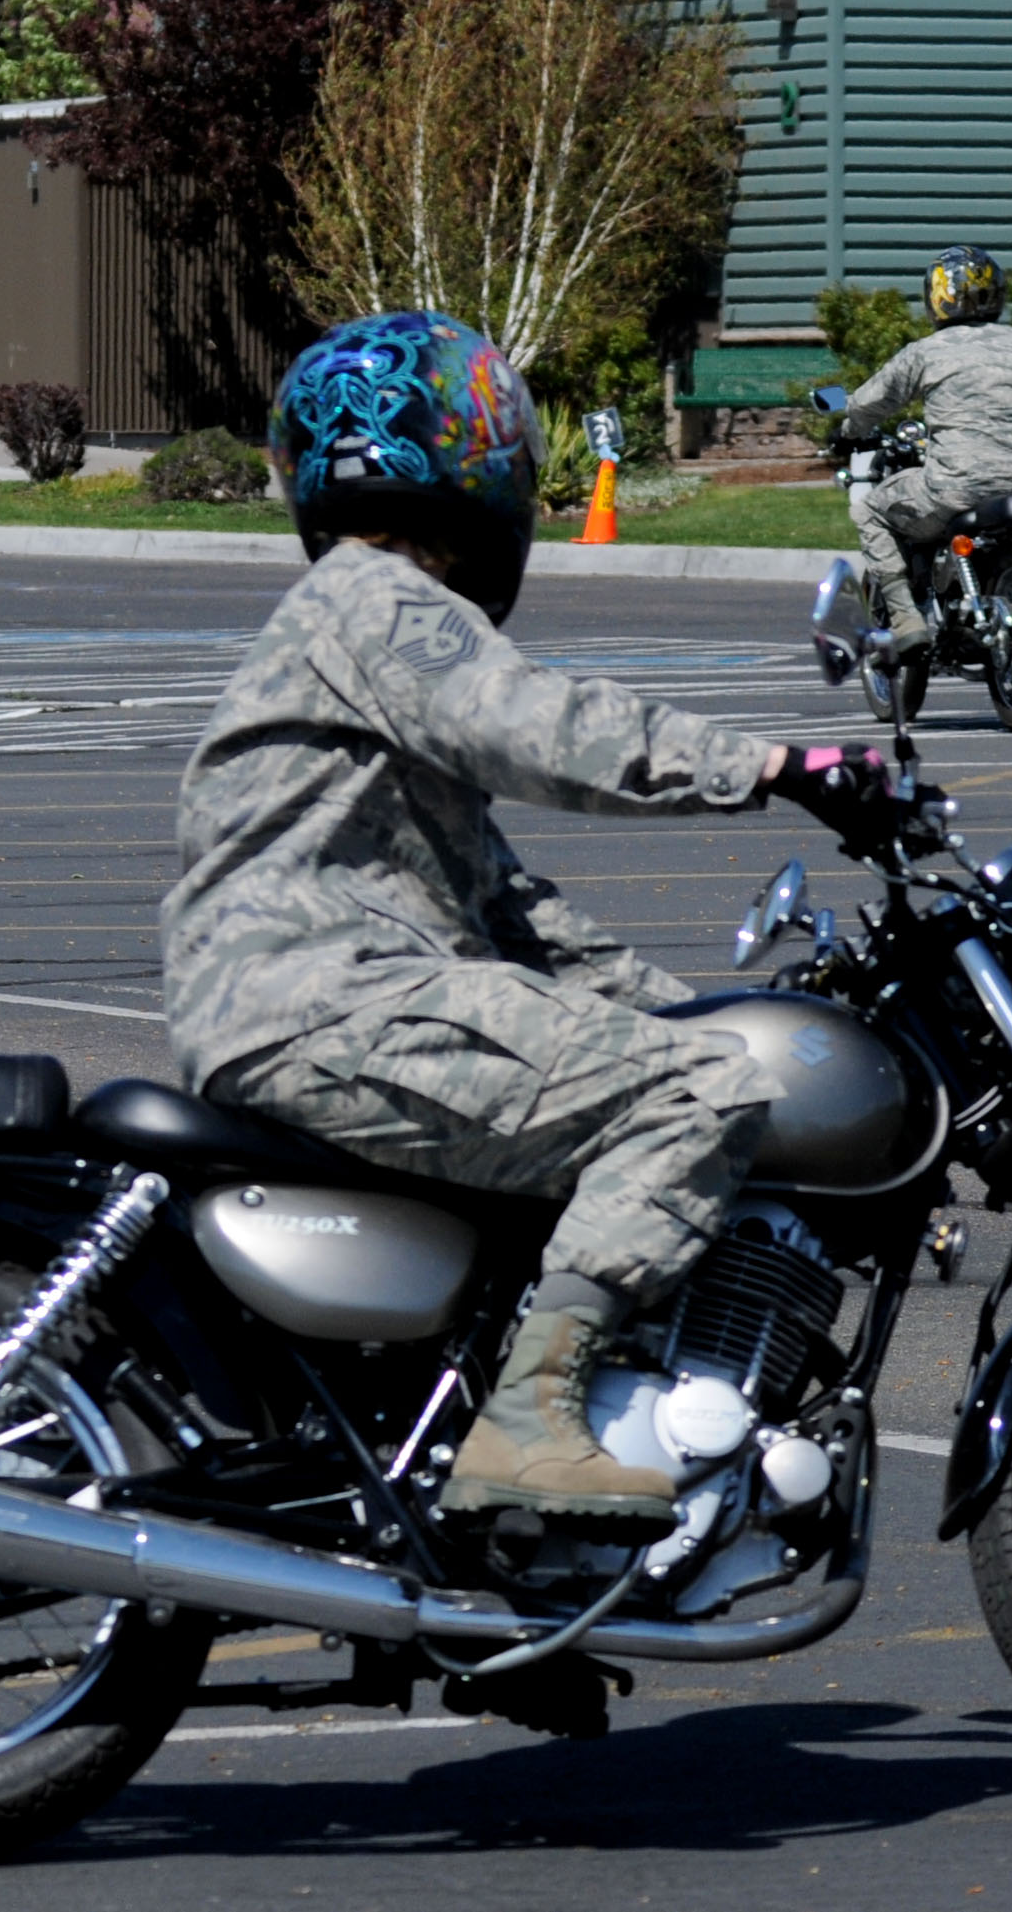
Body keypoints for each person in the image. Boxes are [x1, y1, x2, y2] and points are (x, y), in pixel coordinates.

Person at [159, 310, 902, 1526]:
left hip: (320, 992)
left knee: (690, 1057)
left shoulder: (358, 621)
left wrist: (707, 1007)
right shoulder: (381, 599)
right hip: (326, 1000)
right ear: (475, 451)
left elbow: (509, 909)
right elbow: (542, 727)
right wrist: (776, 763)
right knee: (696, 1093)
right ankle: (531, 1421)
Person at [835, 244, 1012, 652]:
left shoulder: (926, 352)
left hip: (958, 486)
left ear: (938, 297)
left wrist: (851, 426)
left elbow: (872, 402)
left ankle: (906, 619)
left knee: (869, 509)